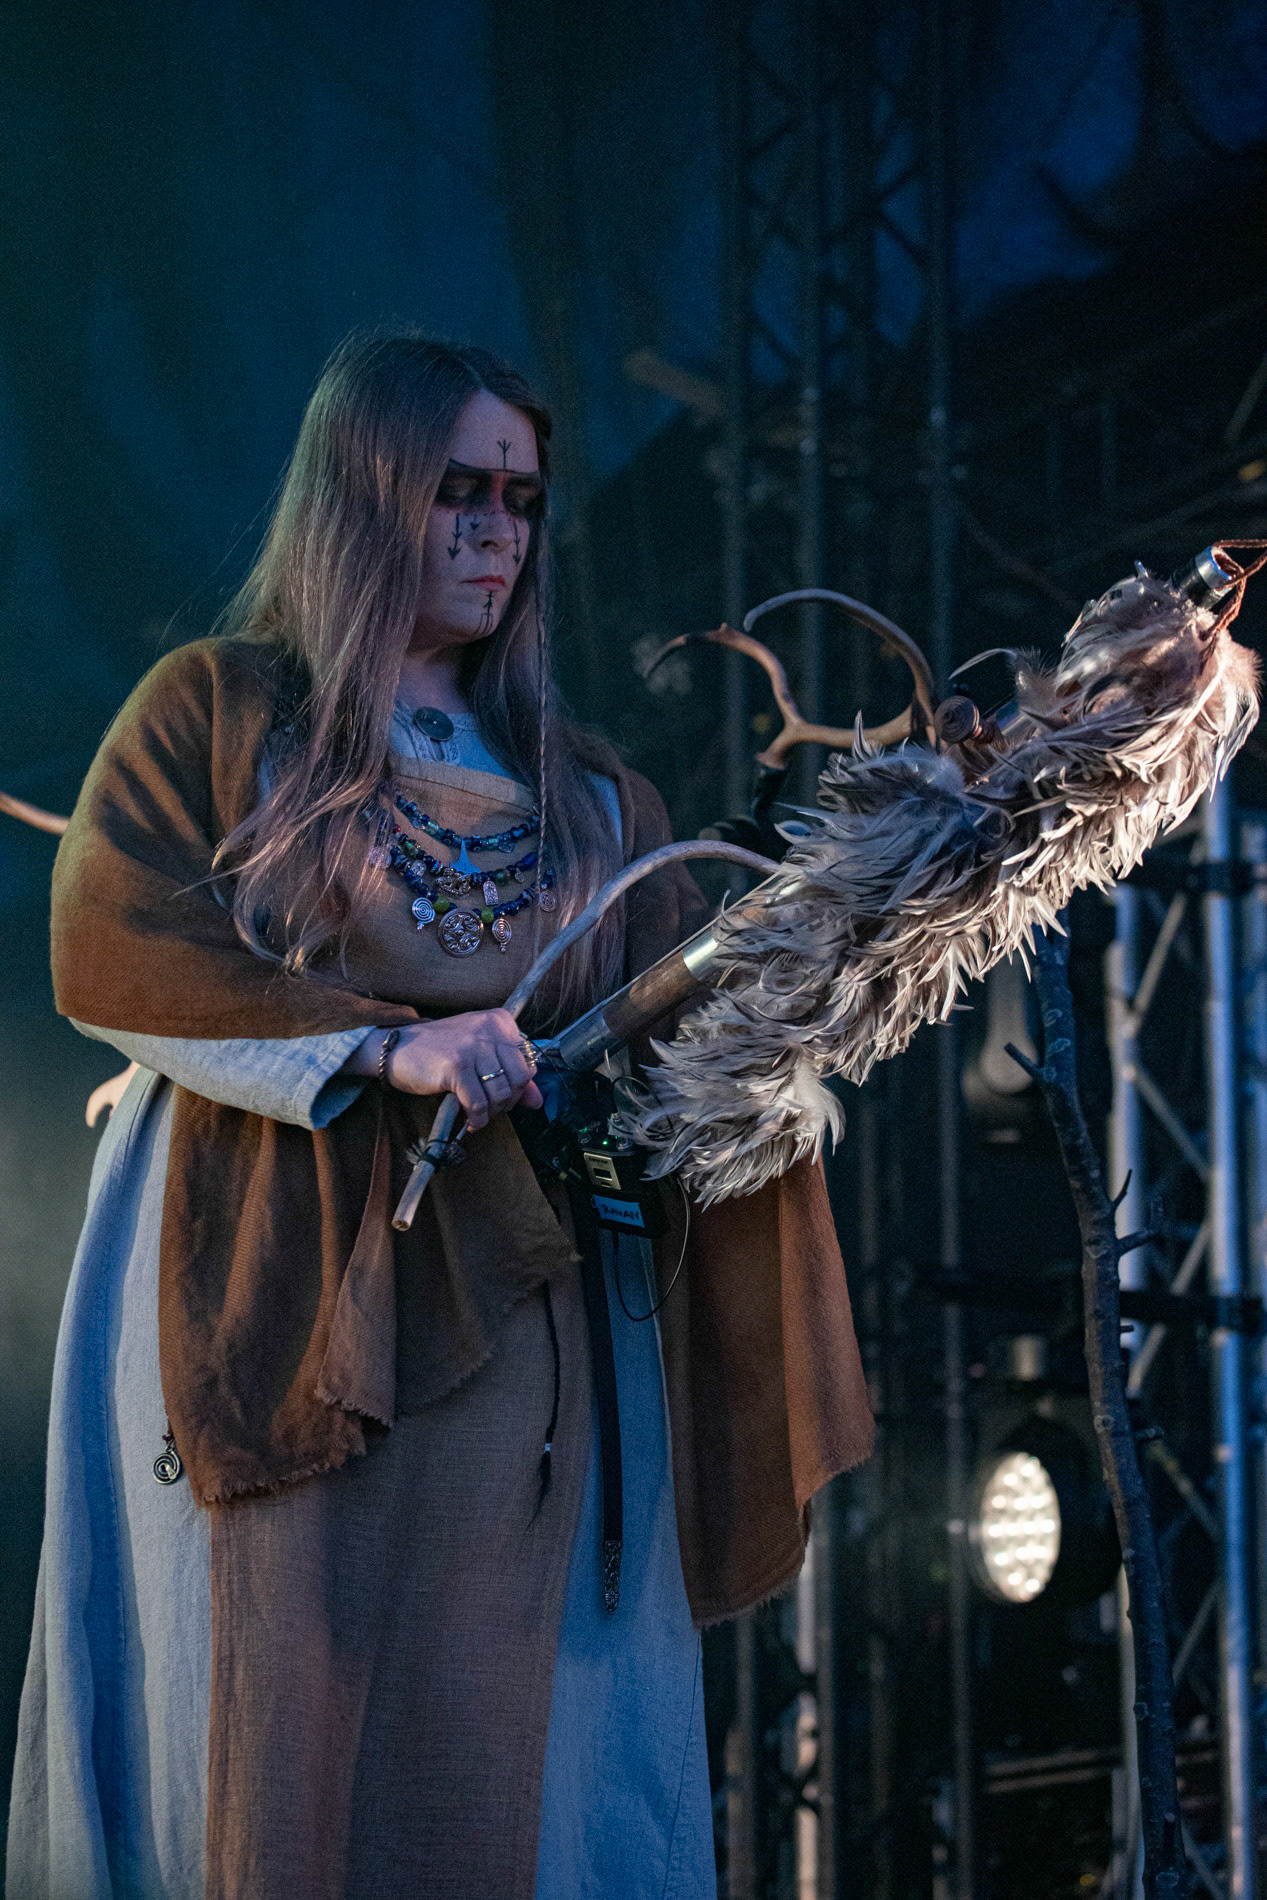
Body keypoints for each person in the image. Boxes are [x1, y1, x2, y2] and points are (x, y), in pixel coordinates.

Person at [7, 333, 874, 1900]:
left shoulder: (595, 800)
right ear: (360, 497)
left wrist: (794, 1036)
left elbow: (670, 1060)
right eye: (455, 491)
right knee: (275, 1706)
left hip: (523, 1306)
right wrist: (386, 1050)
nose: (496, 531)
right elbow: (113, 934)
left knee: (502, 1726)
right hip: (269, 1290)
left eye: (523, 498)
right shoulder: (221, 714)